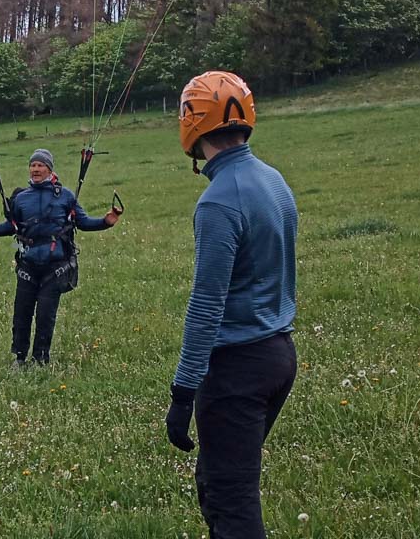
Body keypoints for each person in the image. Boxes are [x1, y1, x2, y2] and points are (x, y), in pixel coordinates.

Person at [164, 71, 298, 539]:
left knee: (231, 500)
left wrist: (183, 392)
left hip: (236, 370)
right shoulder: (274, 180)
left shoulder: (218, 202)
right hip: (278, 354)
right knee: (216, 480)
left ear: (191, 122)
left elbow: (206, 305)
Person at [0, 148, 120, 365]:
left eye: (40, 165)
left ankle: (40, 359)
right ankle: (19, 358)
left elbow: (83, 222)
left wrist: (106, 222)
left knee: (46, 315)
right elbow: (11, 227)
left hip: (55, 266)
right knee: (22, 314)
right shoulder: (21, 199)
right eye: (33, 165)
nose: (35, 169)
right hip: (28, 265)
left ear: (49, 169)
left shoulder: (65, 196)